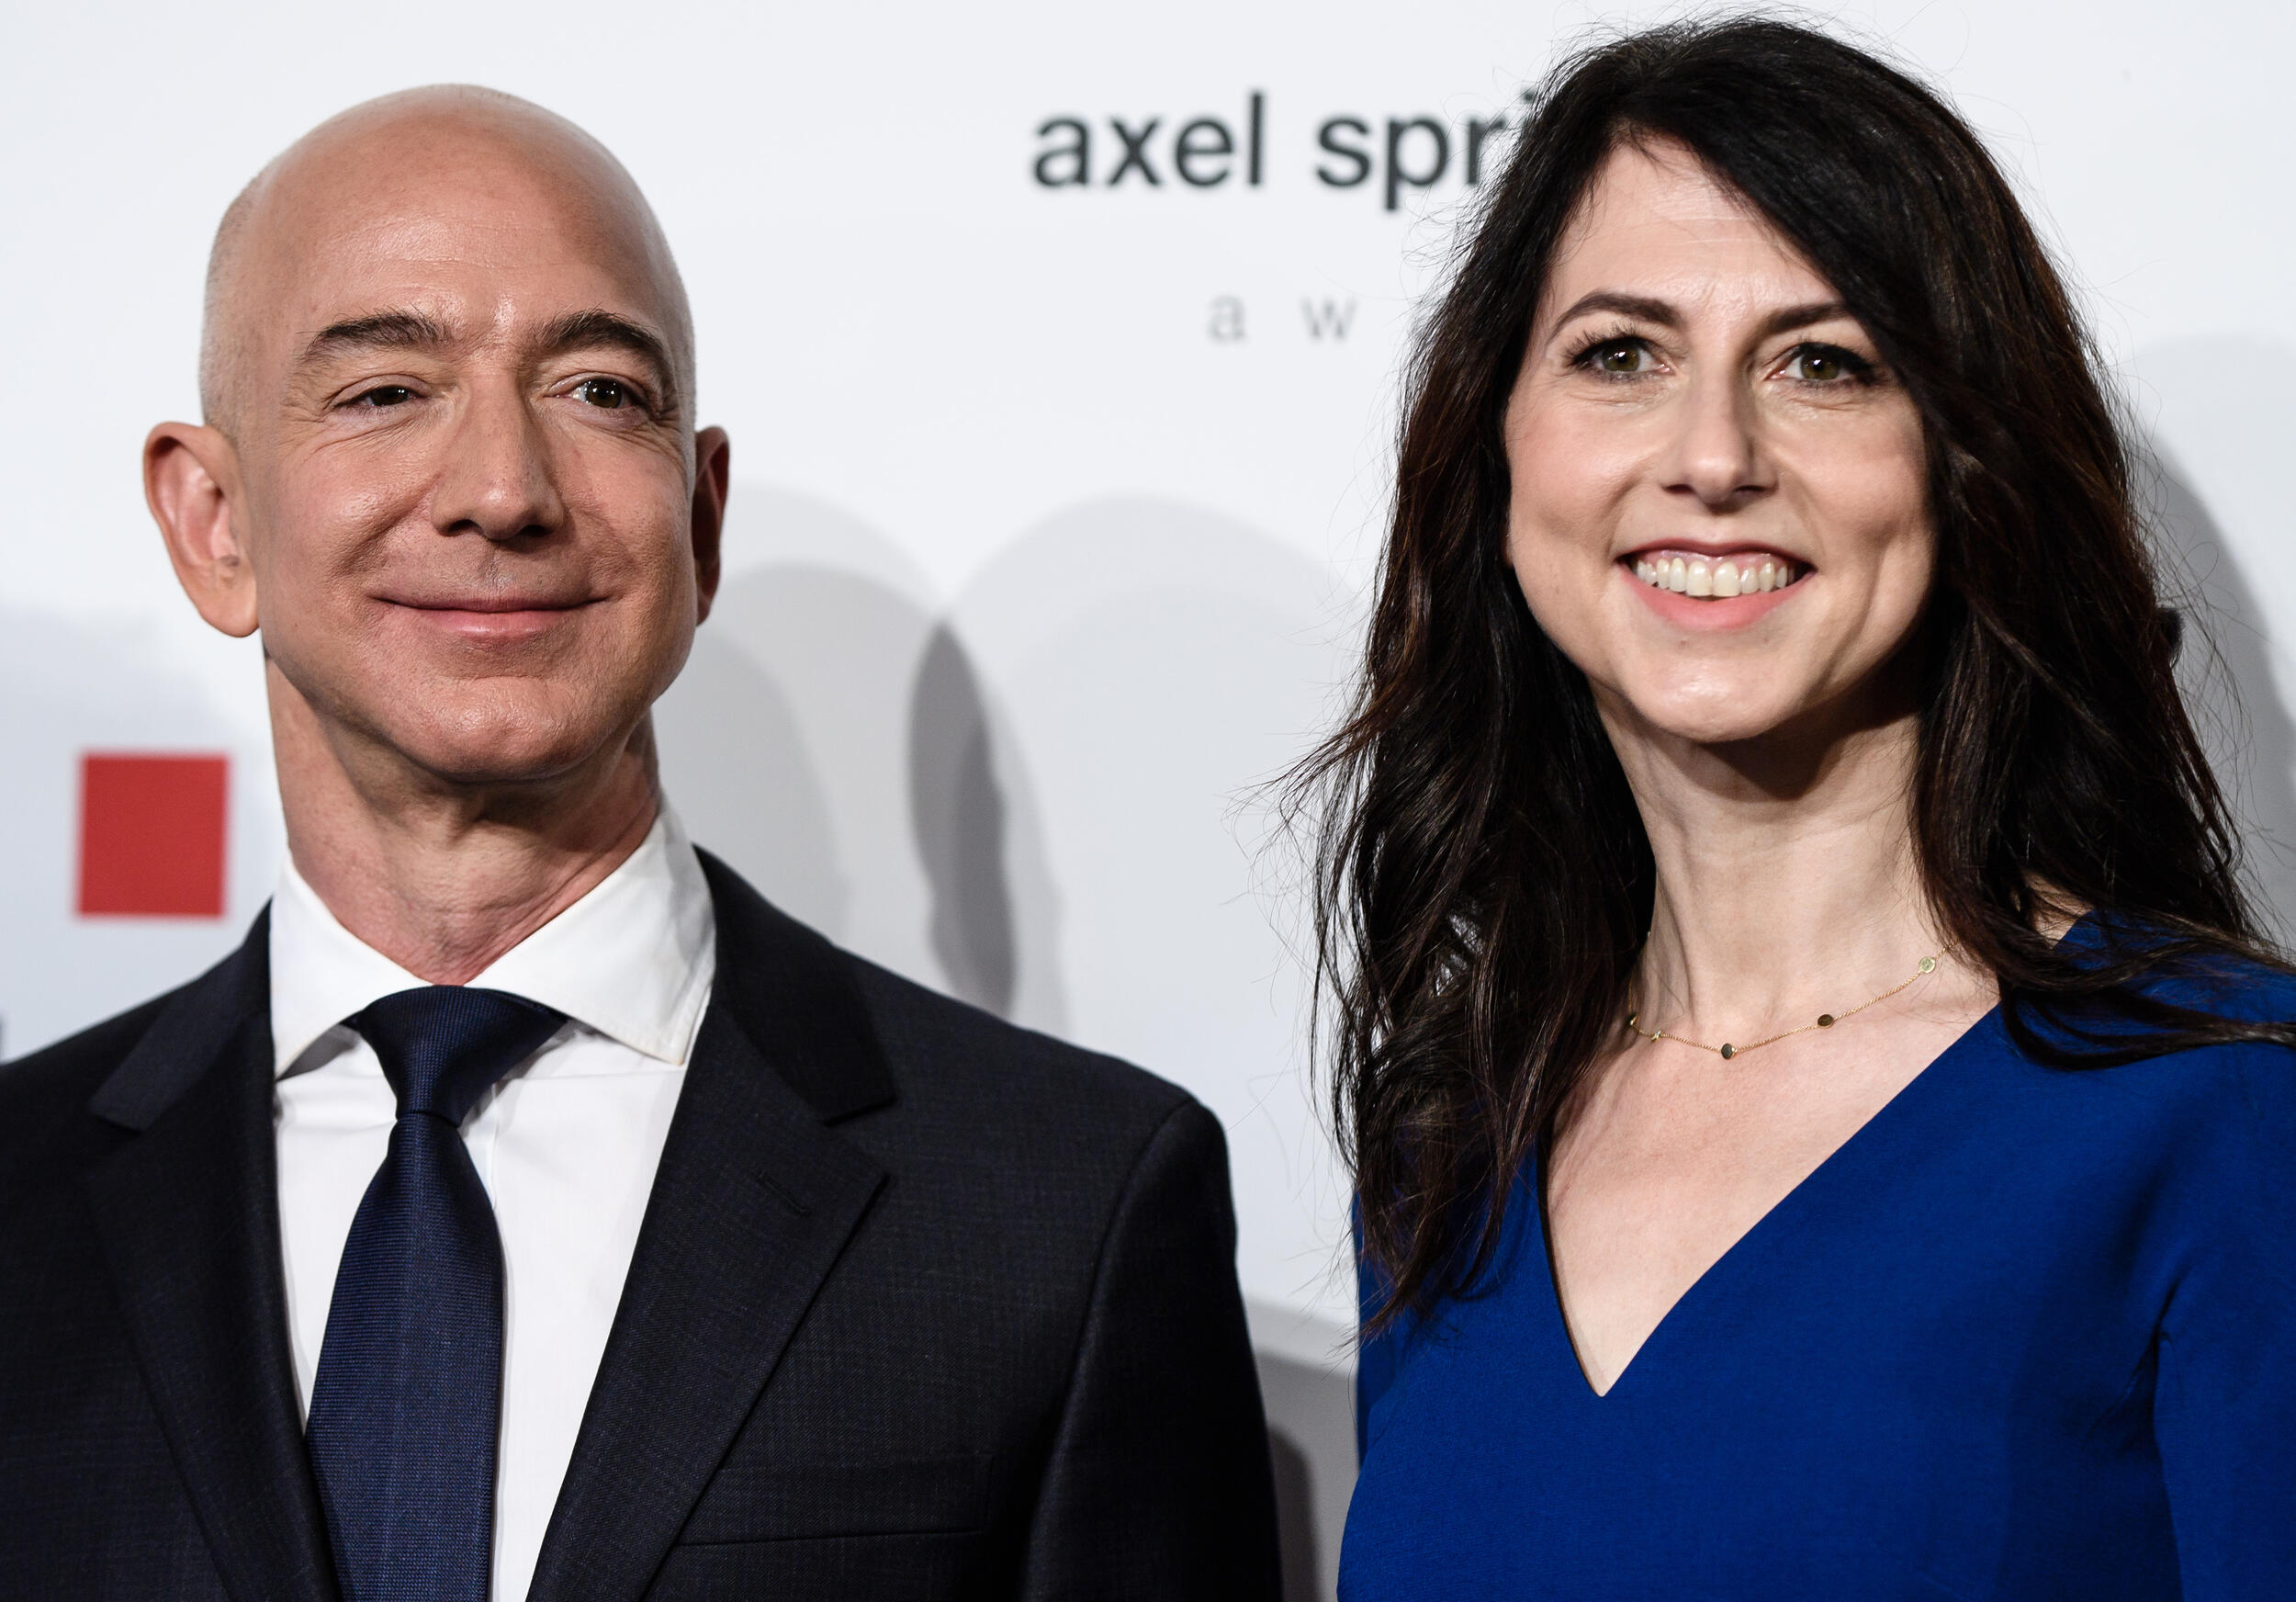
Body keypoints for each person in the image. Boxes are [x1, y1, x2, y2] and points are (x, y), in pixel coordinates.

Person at [0, 86, 1280, 1602]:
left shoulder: (1063, 1206)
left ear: (702, 518)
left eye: (601, 391)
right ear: (212, 522)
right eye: (385, 390)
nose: (502, 491)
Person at [1304, 19, 2296, 1599]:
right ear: (1499, 449)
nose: (1713, 457)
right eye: (1619, 355)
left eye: (1823, 364)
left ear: (1966, 464)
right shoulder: (1447, 1154)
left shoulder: (2221, 1102)